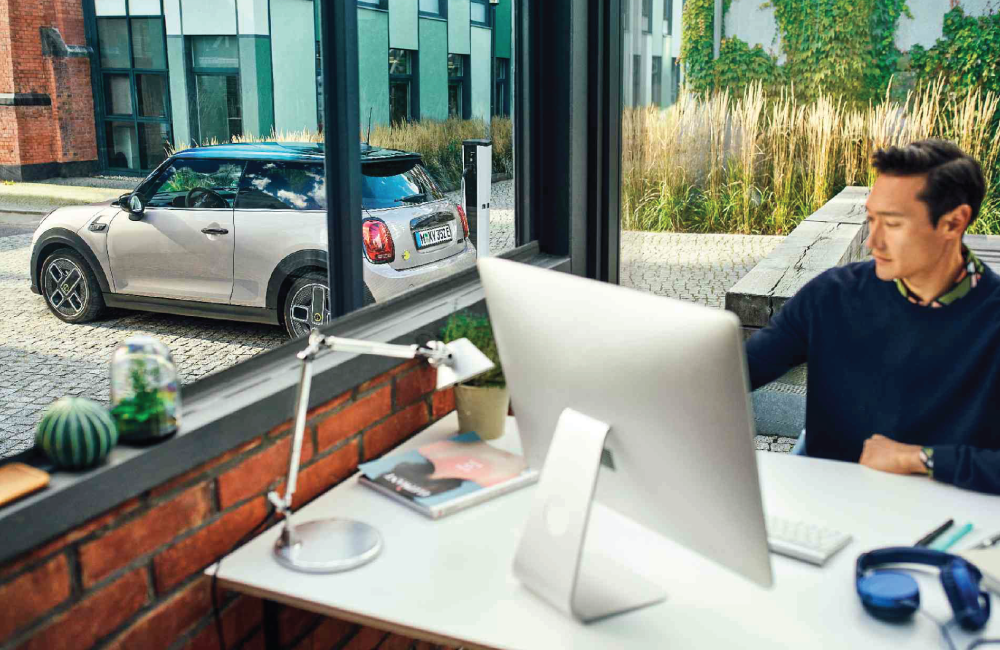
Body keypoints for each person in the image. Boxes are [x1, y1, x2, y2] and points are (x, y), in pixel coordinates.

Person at [745, 139, 1000, 494]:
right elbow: (739, 371)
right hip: (828, 501)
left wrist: (921, 459)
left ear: (953, 223)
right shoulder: (831, 296)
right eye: (871, 219)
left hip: (946, 511)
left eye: (892, 224)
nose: (872, 242)